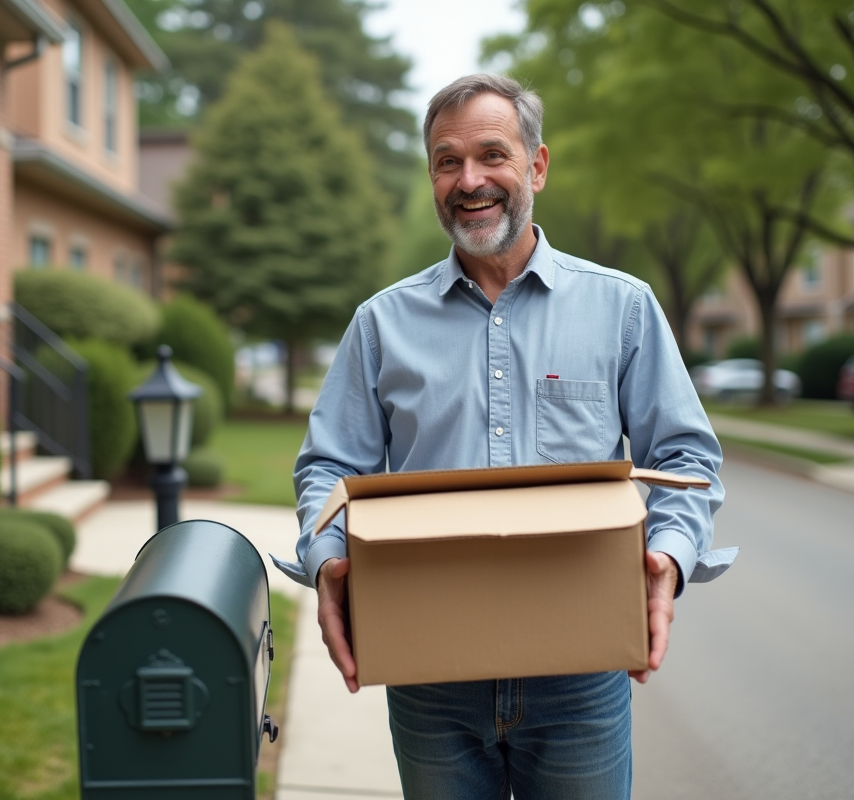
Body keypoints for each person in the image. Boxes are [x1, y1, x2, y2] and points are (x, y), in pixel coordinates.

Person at [272, 74, 734, 799]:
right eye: (447, 161)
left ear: (538, 166)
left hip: (580, 679)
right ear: (431, 176)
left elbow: (685, 456)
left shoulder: (623, 309)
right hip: (429, 676)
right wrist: (327, 557)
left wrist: (667, 560)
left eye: (493, 154)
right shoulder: (380, 324)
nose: (470, 179)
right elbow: (330, 464)